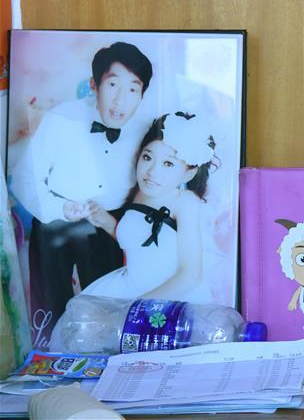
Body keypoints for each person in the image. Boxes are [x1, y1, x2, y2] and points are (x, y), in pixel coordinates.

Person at [15, 42, 153, 337]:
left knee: (107, 314)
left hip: (110, 226)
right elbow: (25, 179)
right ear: (94, 84)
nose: (121, 100)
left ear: (142, 94)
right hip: (54, 222)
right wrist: (59, 209)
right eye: (113, 85)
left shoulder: (146, 129)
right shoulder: (61, 119)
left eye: (133, 89)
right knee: (48, 311)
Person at [81, 112, 217, 303]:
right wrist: (106, 222)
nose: (152, 171)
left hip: (170, 298)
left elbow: (191, 276)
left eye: (168, 163)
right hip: (130, 288)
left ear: (189, 174)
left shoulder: (185, 202)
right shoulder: (140, 192)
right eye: (147, 157)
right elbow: (140, 247)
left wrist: (138, 307)